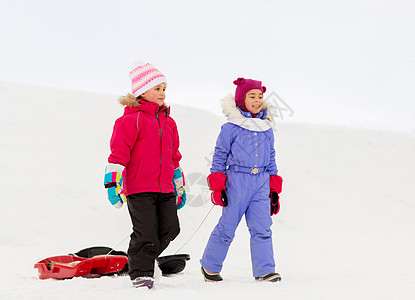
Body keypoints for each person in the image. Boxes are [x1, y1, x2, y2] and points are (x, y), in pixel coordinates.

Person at [104, 62, 186, 289]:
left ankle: (140, 258)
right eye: (156, 88)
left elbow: (174, 157)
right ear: (141, 91)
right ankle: (140, 272)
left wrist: (178, 183)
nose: (162, 93)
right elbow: (118, 155)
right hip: (139, 188)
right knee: (146, 232)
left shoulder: (169, 122)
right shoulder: (130, 120)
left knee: (171, 229)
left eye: (164, 88)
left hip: (165, 187)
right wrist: (113, 184)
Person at [200, 77, 283, 283]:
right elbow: (219, 156)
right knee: (227, 226)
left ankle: (265, 270)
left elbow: (271, 157)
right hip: (237, 180)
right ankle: (209, 266)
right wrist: (218, 186)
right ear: (240, 100)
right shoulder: (231, 128)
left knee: (262, 228)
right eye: (252, 96)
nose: (257, 100)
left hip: (261, 181)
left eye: (260, 96)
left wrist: (273, 188)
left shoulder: (266, 128)